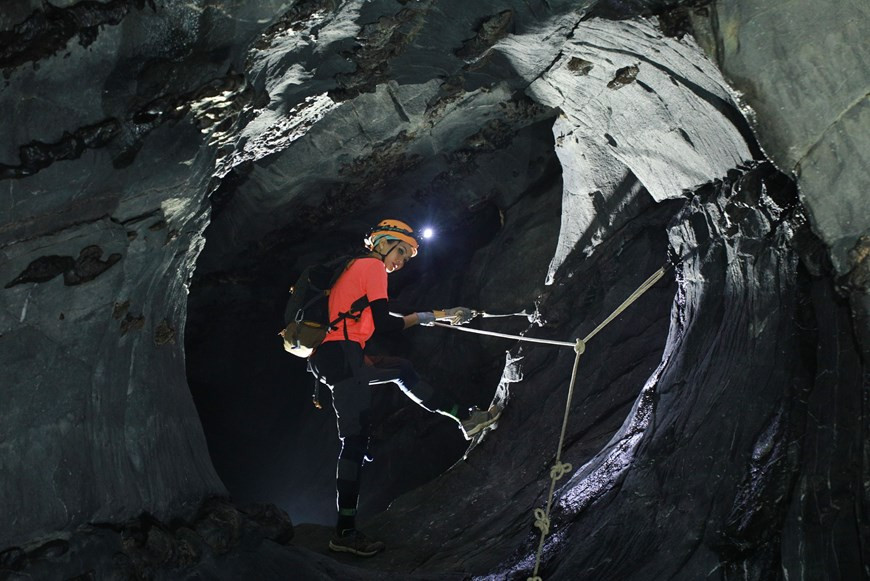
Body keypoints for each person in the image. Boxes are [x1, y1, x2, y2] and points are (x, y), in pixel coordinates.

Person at [310, 219, 500, 557]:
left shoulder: (360, 268)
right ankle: (345, 532)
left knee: (401, 370)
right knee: (353, 443)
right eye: (401, 251)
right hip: (341, 355)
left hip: (342, 355)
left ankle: (465, 419)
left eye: (408, 258)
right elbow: (385, 322)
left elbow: (380, 317)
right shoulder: (371, 266)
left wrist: (440, 314)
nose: (401, 261)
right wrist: (433, 316)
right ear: (382, 242)